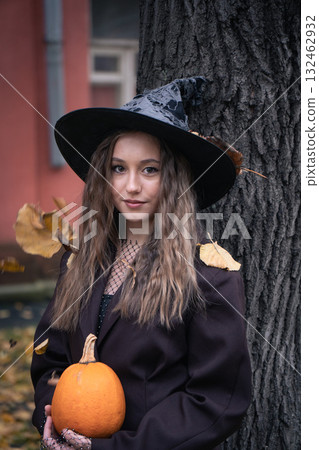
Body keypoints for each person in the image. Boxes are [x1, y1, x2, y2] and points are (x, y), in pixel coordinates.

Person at [31, 77, 251, 450]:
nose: (130, 186)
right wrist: (50, 420)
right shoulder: (80, 260)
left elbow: (213, 401)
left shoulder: (209, 274)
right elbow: (49, 362)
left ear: (174, 179)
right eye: (118, 168)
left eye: (149, 169)